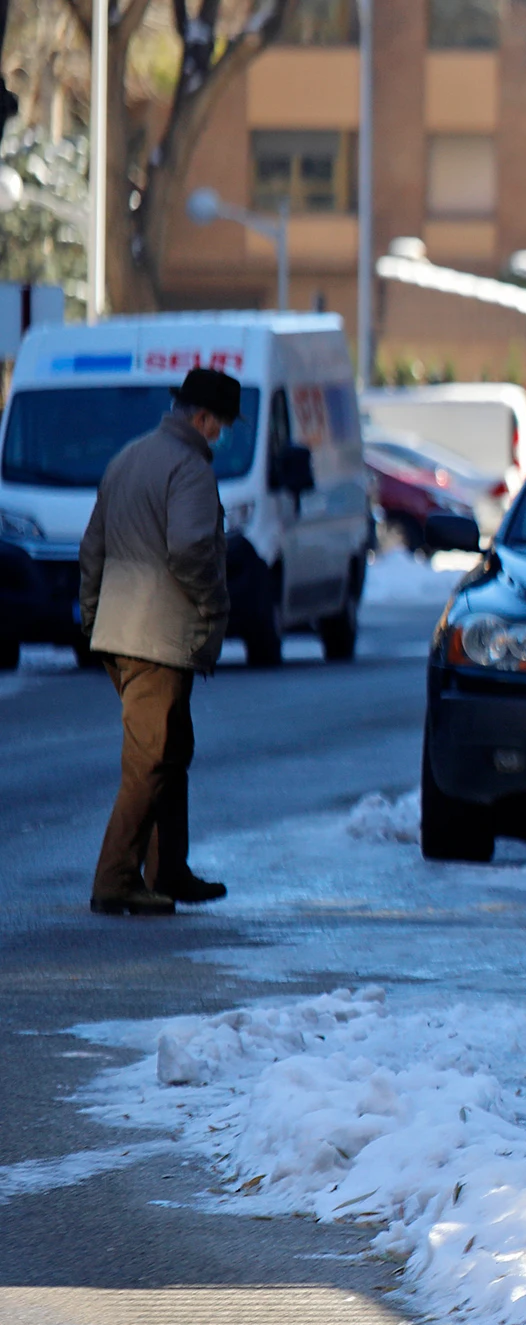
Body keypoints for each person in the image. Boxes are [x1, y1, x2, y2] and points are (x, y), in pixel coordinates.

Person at [79, 367, 238, 916]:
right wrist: (215, 602)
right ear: (203, 418)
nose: (221, 435)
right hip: (160, 637)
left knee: (171, 751)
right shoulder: (189, 469)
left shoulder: (128, 458)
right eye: (221, 425)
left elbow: (92, 548)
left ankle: (168, 870)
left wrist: (95, 620)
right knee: (150, 761)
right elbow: (192, 547)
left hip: (122, 633)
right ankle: (115, 879)